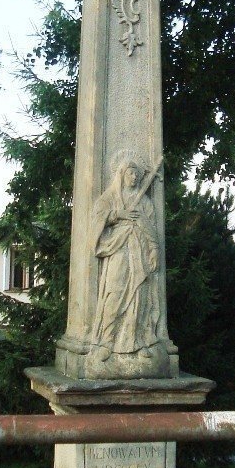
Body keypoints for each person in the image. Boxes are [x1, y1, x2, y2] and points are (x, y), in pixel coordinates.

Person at [89, 154, 161, 363]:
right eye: (131, 173)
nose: (135, 177)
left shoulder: (145, 202)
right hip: (118, 250)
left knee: (139, 298)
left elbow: (151, 228)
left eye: (137, 173)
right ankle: (107, 342)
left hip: (139, 251)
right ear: (121, 174)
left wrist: (154, 249)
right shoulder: (110, 198)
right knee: (115, 293)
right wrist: (118, 215)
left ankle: (135, 342)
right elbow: (98, 217)